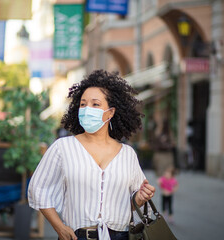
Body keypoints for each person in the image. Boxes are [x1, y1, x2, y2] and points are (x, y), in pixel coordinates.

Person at [27, 69, 156, 240]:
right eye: (83, 104)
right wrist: (59, 227)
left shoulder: (127, 154)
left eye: (95, 104)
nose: (87, 109)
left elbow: (133, 203)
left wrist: (140, 198)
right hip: (76, 236)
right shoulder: (63, 147)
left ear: (110, 112)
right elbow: (38, 189)